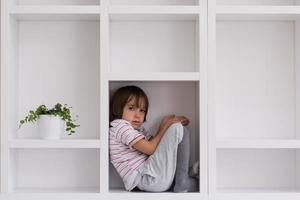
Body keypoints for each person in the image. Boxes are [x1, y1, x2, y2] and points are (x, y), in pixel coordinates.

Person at [109, 85, 199, 192]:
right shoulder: (120, 126)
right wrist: (165, 126)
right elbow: (151, 149)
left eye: (142, 110)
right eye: (131, 108)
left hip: (151, 178)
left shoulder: (136, 130)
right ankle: (183, 177)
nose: (138, 115)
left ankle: (185, 177)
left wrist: (165, 125)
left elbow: (158, 146)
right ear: (117, 108)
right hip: (147, 179)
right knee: (177, 128)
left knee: (200, 184)